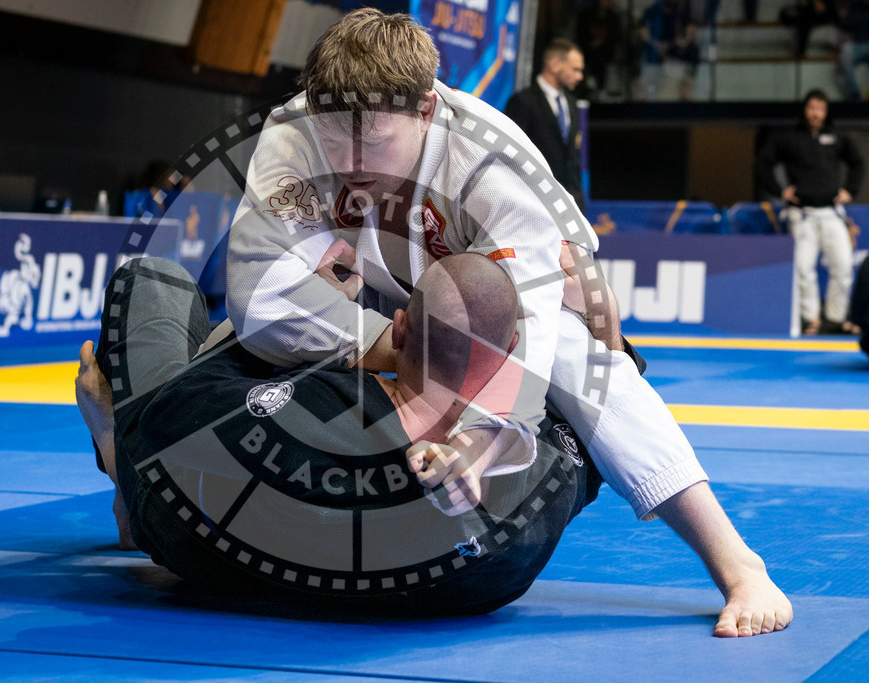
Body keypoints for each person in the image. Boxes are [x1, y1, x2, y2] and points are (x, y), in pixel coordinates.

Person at [223, 8, 790, 636]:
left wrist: (483, 436)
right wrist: (393, 344)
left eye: (376, 142)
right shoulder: (293, 133)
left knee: (581, 359)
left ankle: (739, 565)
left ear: (426, 111)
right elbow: (258, 296)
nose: (352, 163)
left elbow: (536, 328)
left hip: (502, 290)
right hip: (376, 299)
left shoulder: (492, 164)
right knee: (224, 344)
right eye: (336, 140)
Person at [76, 251, 607, 616]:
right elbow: (594, 436)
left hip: (202, 557)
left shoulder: (327, 404)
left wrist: (291, 321)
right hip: (441, 598)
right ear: (514, 349)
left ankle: (122, 474)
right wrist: (599, 330)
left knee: (151, 278)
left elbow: (169, 417)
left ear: (396, 330)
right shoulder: (533, 483)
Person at [756, 89, 865, 335]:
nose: (816, 113)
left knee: (844, 266)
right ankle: (811, 319)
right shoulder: (789, 138)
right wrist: (779, 190)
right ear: (805, 110)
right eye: (812, 108)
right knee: (804, 269)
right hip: (801, 214)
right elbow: (763, 162)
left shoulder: (837, 136)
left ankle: (836, 319)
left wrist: (851, 190)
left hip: (831, 212)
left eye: (821, 109)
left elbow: (857, 162)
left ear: (826, 112)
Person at [505, 38, 586, 211]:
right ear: (555, 64)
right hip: (534, 205)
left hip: (570, 207)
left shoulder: (571, 103)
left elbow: (572, 159)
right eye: (575, 69)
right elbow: (512, 156)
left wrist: (579, 206)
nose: (580, 76)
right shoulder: (522, 102)